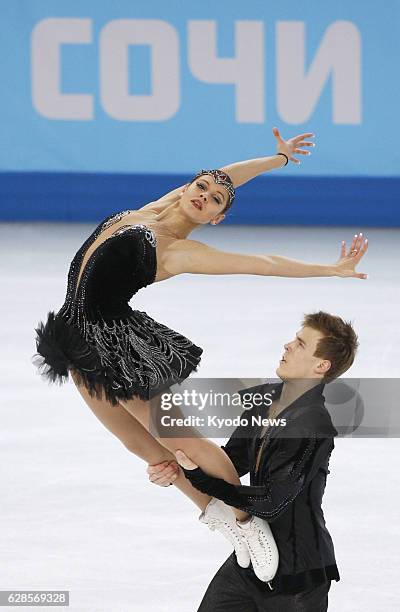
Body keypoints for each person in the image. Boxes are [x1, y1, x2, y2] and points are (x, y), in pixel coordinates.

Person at [34, 127, 367, 568]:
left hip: (115, 348)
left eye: (214, 201)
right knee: (137, 444)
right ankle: (217, 517)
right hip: (75, 339)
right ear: (189, 185)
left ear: (216, 218)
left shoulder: (177, 252)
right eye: (201, 187)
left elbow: (263, 265)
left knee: (181, 439)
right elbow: (226, 175)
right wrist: (278, 160)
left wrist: (330, 269)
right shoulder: (148, 211)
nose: (205, 195)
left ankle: (248, 522)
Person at [149, 311, 358, 611]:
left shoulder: (314, 427)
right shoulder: (264, 400)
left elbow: (272, 501)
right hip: (250, 558)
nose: (287, 345)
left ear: (320, 366)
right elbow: (232, 461)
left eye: (300, 344)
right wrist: (178, 467)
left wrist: (203, 481)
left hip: (298, 578)